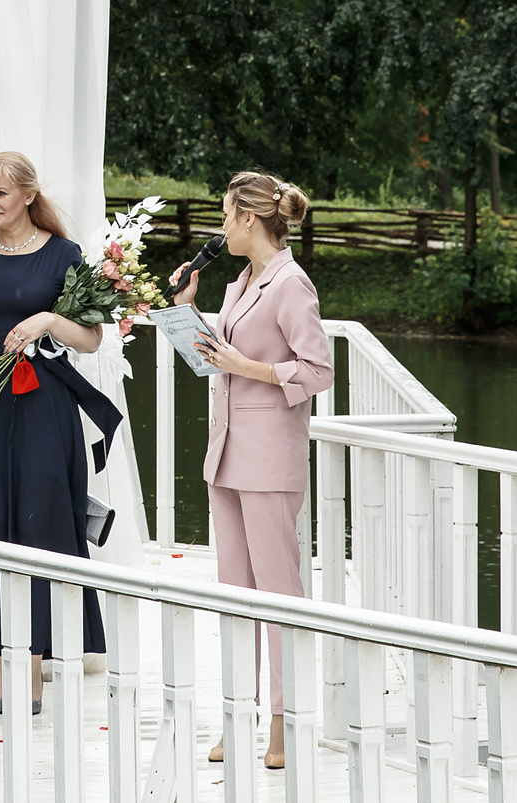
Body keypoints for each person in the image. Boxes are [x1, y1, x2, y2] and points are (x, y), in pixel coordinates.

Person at [0, 150, 123, 718]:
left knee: (40, 519)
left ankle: (35, 669)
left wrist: (45, 322)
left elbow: (90, 339)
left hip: (43, 399)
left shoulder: (64, 254)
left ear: (27, 196)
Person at [172, 170, 333, 770]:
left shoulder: (292, 284)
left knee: (279, 594)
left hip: (270, 457)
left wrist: (252, 367)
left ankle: (285, 726)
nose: (220, 227)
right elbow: (218, 357)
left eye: (224, 216)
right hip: (227, 453)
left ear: (247, 219)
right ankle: (236, 714)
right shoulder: (242, 280)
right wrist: (188, 315)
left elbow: (317, 371)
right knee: (234, 595)